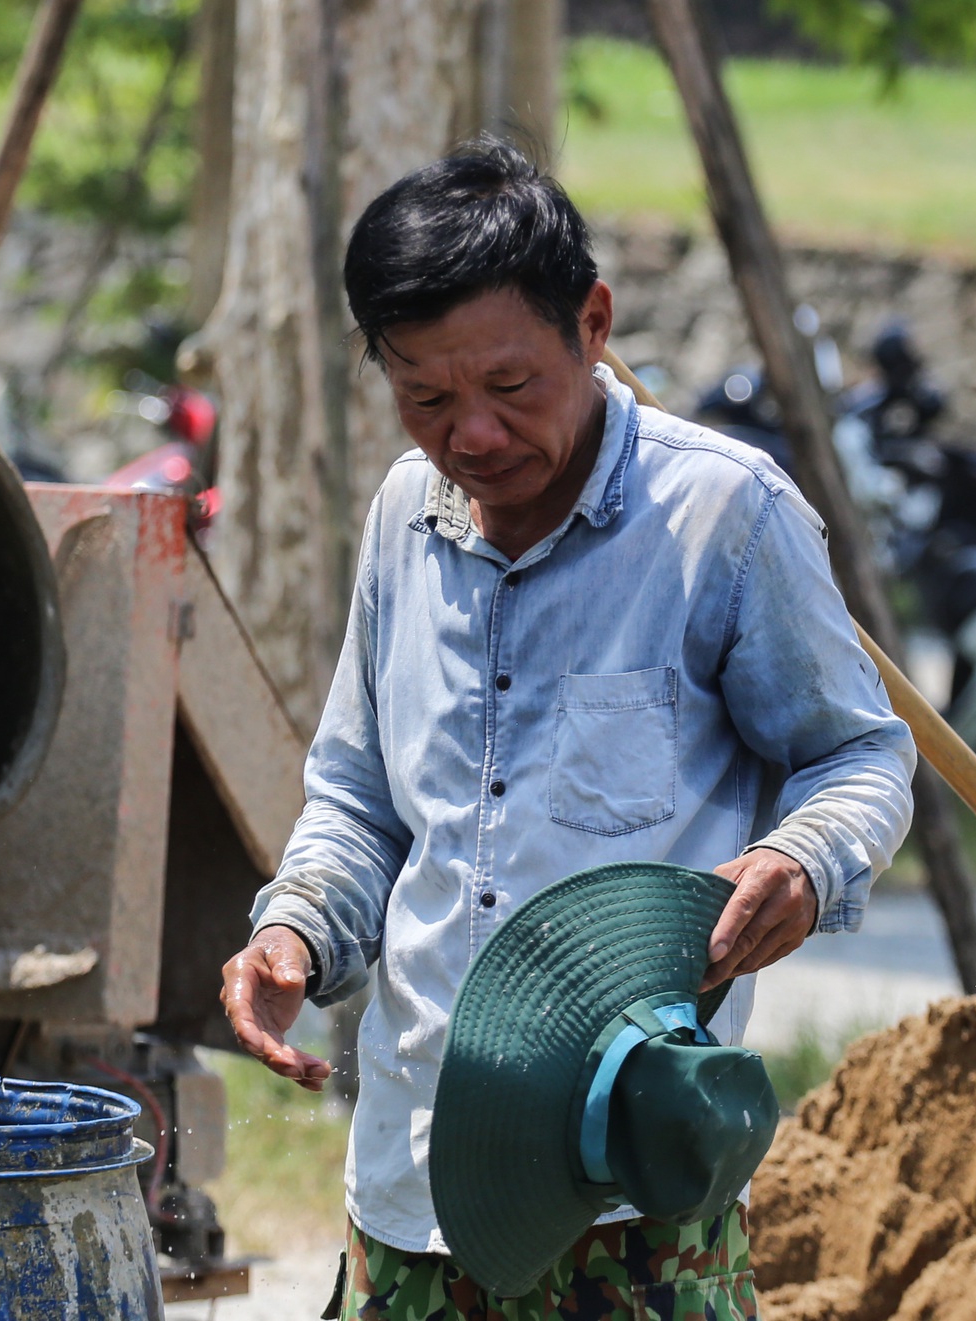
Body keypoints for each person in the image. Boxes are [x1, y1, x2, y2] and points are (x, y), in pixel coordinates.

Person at [219, 136, 915, 1320]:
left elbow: (860, 754)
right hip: (410, 1183)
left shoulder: (722, 518)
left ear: (592, 324)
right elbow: (359, 797)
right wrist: (295, 931)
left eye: (510, 387)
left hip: (627, 1192)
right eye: (425, 396)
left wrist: (803, 858)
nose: (471, 435)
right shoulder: (402, 516)